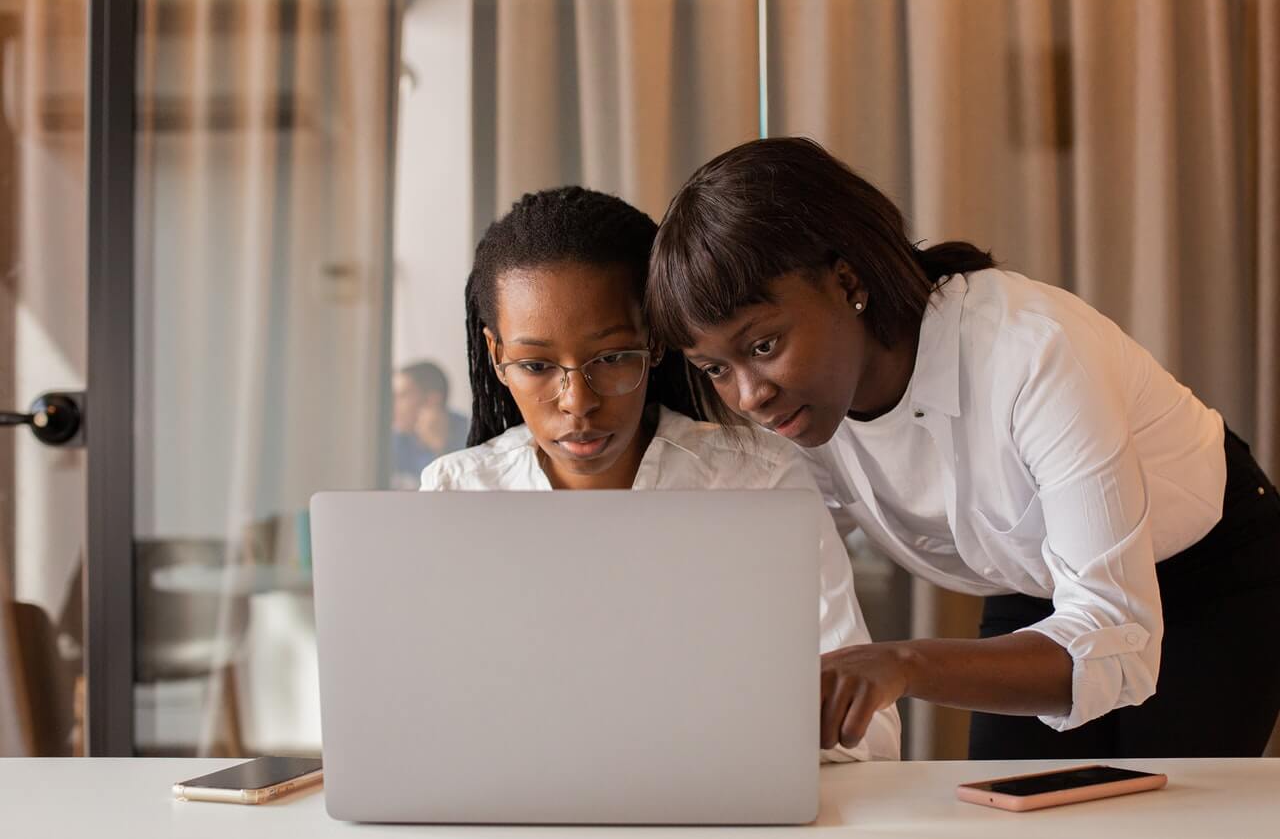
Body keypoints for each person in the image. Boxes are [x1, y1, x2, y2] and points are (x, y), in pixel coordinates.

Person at [646, 136, 1280, 759]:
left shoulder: (1032, 351)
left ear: (846, 281)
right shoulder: (792, 410)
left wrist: (902, 663)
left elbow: (1118, 636)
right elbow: (767, 567)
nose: (750, 395)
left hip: (1209, 572)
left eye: (762, 345)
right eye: (714, 368)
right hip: (1034, 585)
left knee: (1168, 824)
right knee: (1003, 817)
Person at [420, 186, 900, 762]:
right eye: (536, 366)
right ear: (495, 354)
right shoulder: (454, 494)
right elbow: (426, 724)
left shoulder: (758, 482)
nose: (577, 402)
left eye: (613, 357)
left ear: (654, 343)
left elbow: (868, 738)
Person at [391, 360, 468, 489]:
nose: (392, 404)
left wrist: (440, 448)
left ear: (431, 400)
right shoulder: (396, 440)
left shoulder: (472, 435)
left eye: (402, 396)